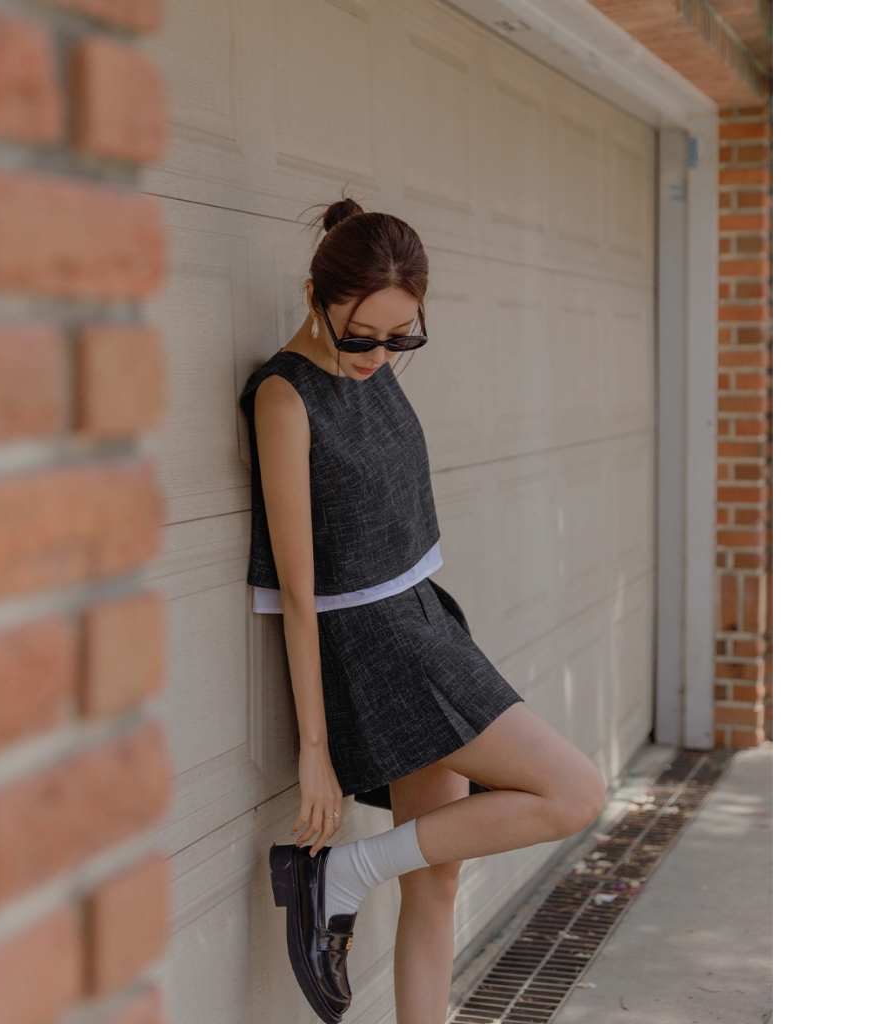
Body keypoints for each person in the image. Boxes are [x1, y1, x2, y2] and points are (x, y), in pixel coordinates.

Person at [239, 199, 606, 1024]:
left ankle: (351, 882)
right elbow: (298, 592)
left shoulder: (369, 375)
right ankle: (342, 874)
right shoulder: (284, 398)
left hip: (427, 621)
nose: (379, 355)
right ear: (314, 296)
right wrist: (315, 751)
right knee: (575, 791)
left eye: (401, 338)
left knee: (436, 880)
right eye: (361, 335)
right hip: (381, 649)